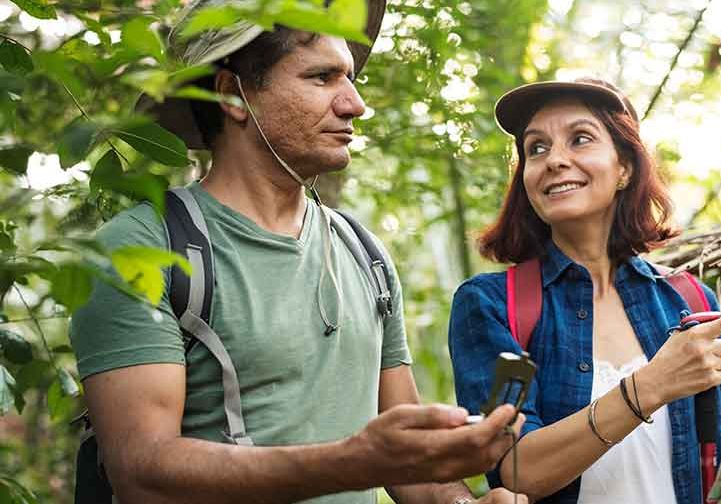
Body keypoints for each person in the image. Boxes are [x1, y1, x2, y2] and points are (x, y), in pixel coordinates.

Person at [69, 1, 526, 503]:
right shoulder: (142, 249)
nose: (355, 104)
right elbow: (143, 473)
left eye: (350, 79)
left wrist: (464, 503)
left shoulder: (363, 253)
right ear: (233, 95)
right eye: (323, 78)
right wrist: (355, 460)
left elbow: (409, 470)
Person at [447, 77, 721, 504]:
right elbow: (515, 472)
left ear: (624, 168)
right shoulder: (493, 305)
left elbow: (717, 481)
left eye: (580, 139)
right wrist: (651, 386)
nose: (554, 160)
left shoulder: (692, 303)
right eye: (536, 148)